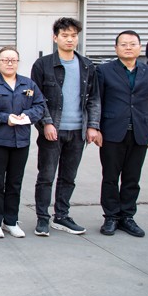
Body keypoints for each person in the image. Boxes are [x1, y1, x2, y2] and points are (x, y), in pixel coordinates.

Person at [30, 17, 100, 237]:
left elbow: (93, 98)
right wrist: (47, 123)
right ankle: (43, 218)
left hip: (78, 131)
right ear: (55, 37)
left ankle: (61, 216)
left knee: (68, 177)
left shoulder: (87, 65)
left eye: (73, 35)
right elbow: (37, 98)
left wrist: (92, 126)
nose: (69, 39)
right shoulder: (43, 65)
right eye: (65, 35)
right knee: (46, 176)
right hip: (52, 131)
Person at [96, 30, 148, 237]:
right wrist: (96, 128)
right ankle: (111, 217)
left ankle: (127, 216)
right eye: (123, 44)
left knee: (132, 177)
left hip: (140, 131)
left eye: (132, 44)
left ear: (140, 47)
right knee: (110, 177)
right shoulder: (104, 71)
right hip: (111, 132)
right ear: (116, 48)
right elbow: (97, 102)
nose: (128, 48)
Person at [0, 47, 46, 238]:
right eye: (5, 60)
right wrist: (5, 118)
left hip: (21, 141)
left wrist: (27, 115)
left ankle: (11, 220)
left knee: (15, 182)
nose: (9, 63)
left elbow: (40, 105)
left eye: (13, 60)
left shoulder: (28, 84)